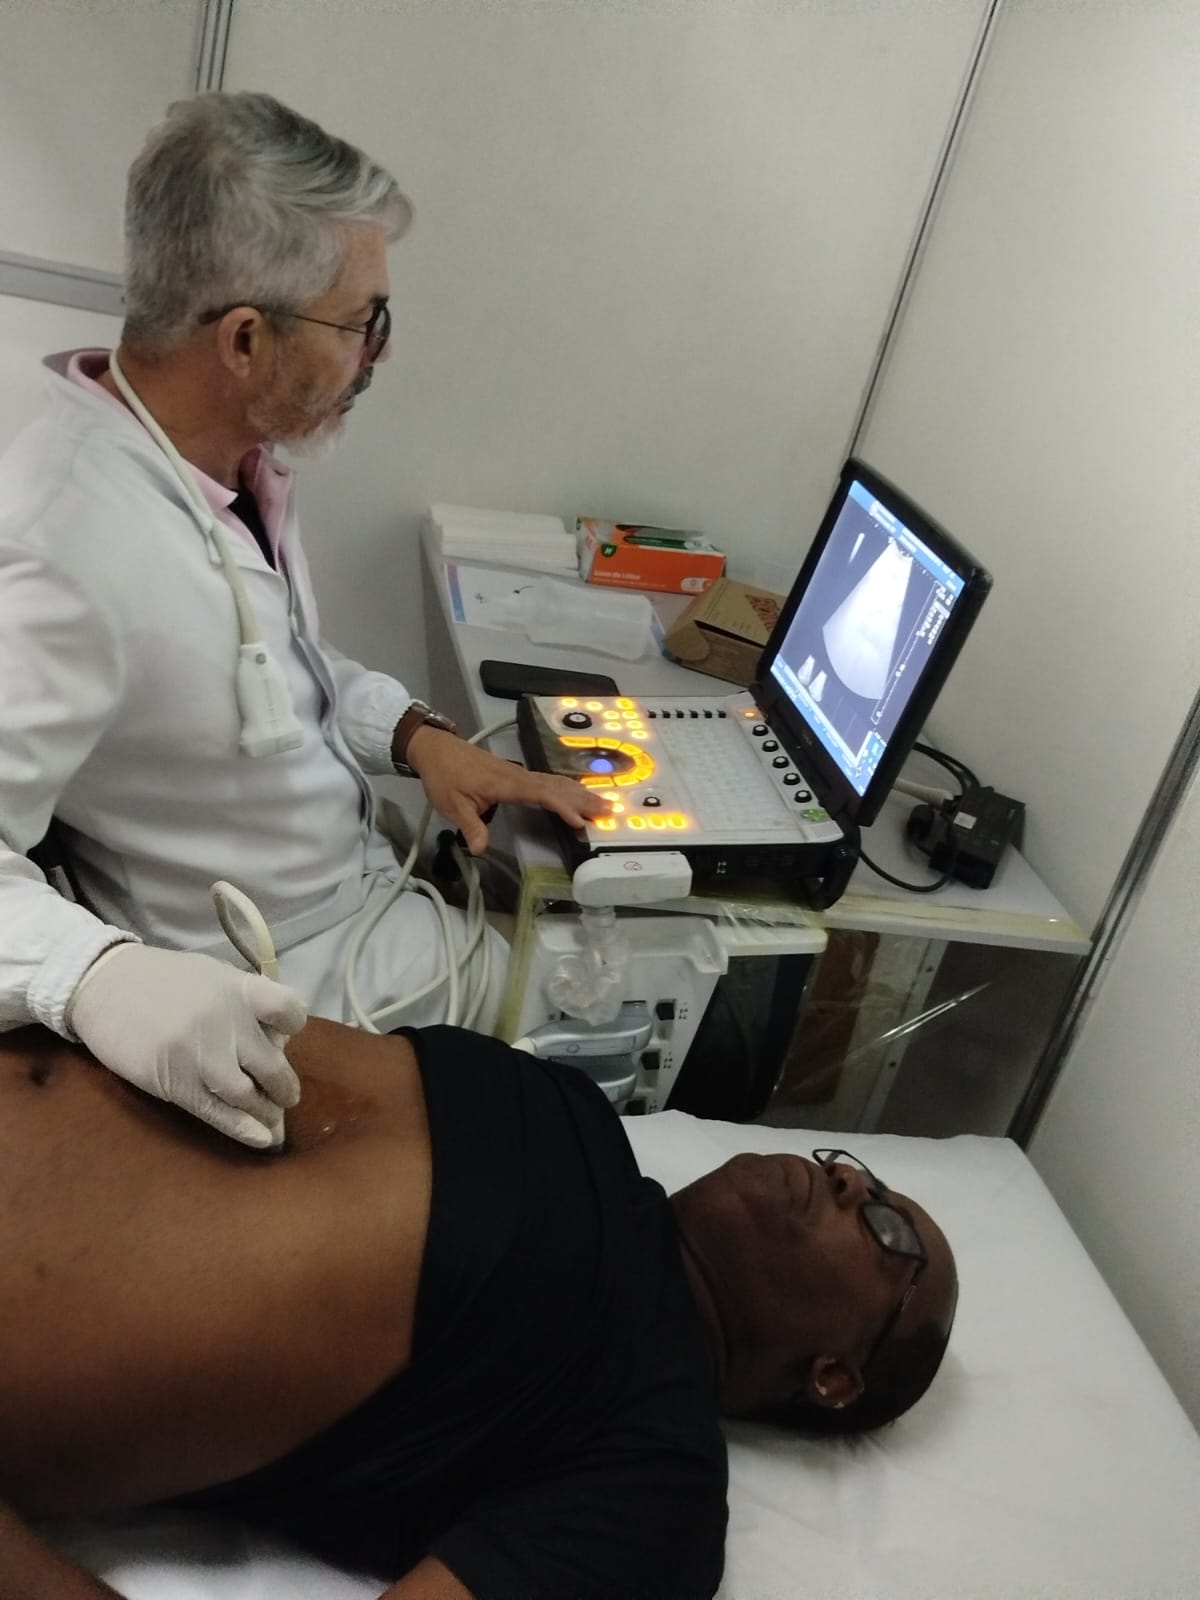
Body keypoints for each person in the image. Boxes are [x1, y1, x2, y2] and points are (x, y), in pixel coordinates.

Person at [0, 91, 607, 1149]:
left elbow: (267, 670)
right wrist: (96, 978)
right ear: (244, 339)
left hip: (360, 893)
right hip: (288, 983)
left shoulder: (220, 465)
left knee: (587, 926)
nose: (378, 353)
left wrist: (416, 737)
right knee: (616, 993)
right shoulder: (63, 551)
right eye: (362, 322)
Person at [0, 1018, 958, 1600]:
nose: (847, 1182)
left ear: (834, 1377)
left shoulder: (654, 1477)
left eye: (888, 1230)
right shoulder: (571, 1105)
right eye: (856, 1169)